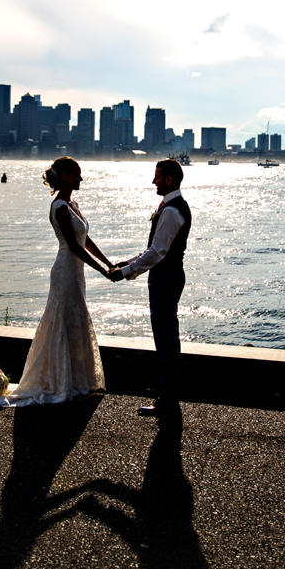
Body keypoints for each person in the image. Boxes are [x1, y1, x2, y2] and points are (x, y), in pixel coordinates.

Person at [0, 157, 111, 406]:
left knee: (75, 320)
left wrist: (108, 262)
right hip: (65, 271)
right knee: (63, 321)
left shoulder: (73, 204)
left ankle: (76, 379)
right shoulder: (60, 207)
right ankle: (61, 381)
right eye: (77, 173)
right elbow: (74, 246)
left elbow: (86, 239)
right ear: (64, 176)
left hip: (76, 273)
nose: (81, 178)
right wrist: (102, 270)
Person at [109, 159, 190, 418]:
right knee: (168, 336)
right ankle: (168, 394)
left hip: (165, 278)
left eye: (157, 177)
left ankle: (167, 398)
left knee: (165, 339)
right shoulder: (175, 206)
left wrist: (124, 273)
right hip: (170, 275)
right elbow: (156, 249)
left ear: (169, 179)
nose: (153, 181)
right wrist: (130, 262)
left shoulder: (170, 211)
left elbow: (158, 252)